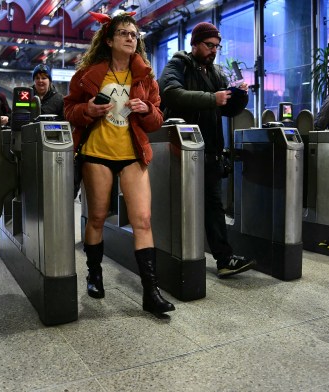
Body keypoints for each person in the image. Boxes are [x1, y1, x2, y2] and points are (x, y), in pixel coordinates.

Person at [64, 11, 174, 315]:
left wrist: (146, 108)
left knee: (143, 220)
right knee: (97, 217)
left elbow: (156, 121)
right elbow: (69, 109)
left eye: (134, 34)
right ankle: (94, 273)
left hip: (133, 155)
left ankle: (151, 291)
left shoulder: (145, 76)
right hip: (97, 153)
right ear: (110, 39)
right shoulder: (88, 73)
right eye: (124, 33)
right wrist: (87, 109)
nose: (130, 38)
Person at [158, 22, 256, 279]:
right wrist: (213, 98)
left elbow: (226, 109)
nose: (214, 51)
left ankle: (224, 259)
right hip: (180, 146)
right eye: (209, 45)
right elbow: (170, 94)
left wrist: (239, 96)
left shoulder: (215, 73)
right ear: (195, 44)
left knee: (213, 205)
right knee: (180, 203)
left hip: (209, 148)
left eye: (217, 47)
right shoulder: (178, 64)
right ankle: (172, 255)